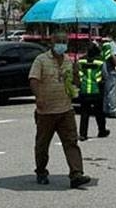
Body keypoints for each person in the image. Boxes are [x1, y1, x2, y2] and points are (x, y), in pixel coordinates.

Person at [29, 32, 91, 188]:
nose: (61, 44)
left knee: (71, 142)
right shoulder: (41, 60)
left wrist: (77, 72)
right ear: (52, 42)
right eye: (59, 41)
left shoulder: (69, 61)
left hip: (65, 109)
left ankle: (76, 174)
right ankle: (41, 171)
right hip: (46, 111)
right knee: (42, 145)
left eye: (64, 41)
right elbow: (33, 79)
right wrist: (38, 97)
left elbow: (75, 83)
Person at [78, 43, 109, 141]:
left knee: (84, 113)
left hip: (84, 90)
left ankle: (83, 134)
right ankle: (102, 130)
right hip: (96, 90)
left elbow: (77, 74)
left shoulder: (81, 61)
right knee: (99, 112)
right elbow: (105, 75)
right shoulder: (100, 62)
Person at [101, 38, 116, 119]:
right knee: (112, 91)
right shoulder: (111, 44)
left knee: (106, 91)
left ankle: (106, 109)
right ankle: (113, 110)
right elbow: (113, 56)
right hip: (110, 70)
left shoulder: (103, 44)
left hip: (104, 70)